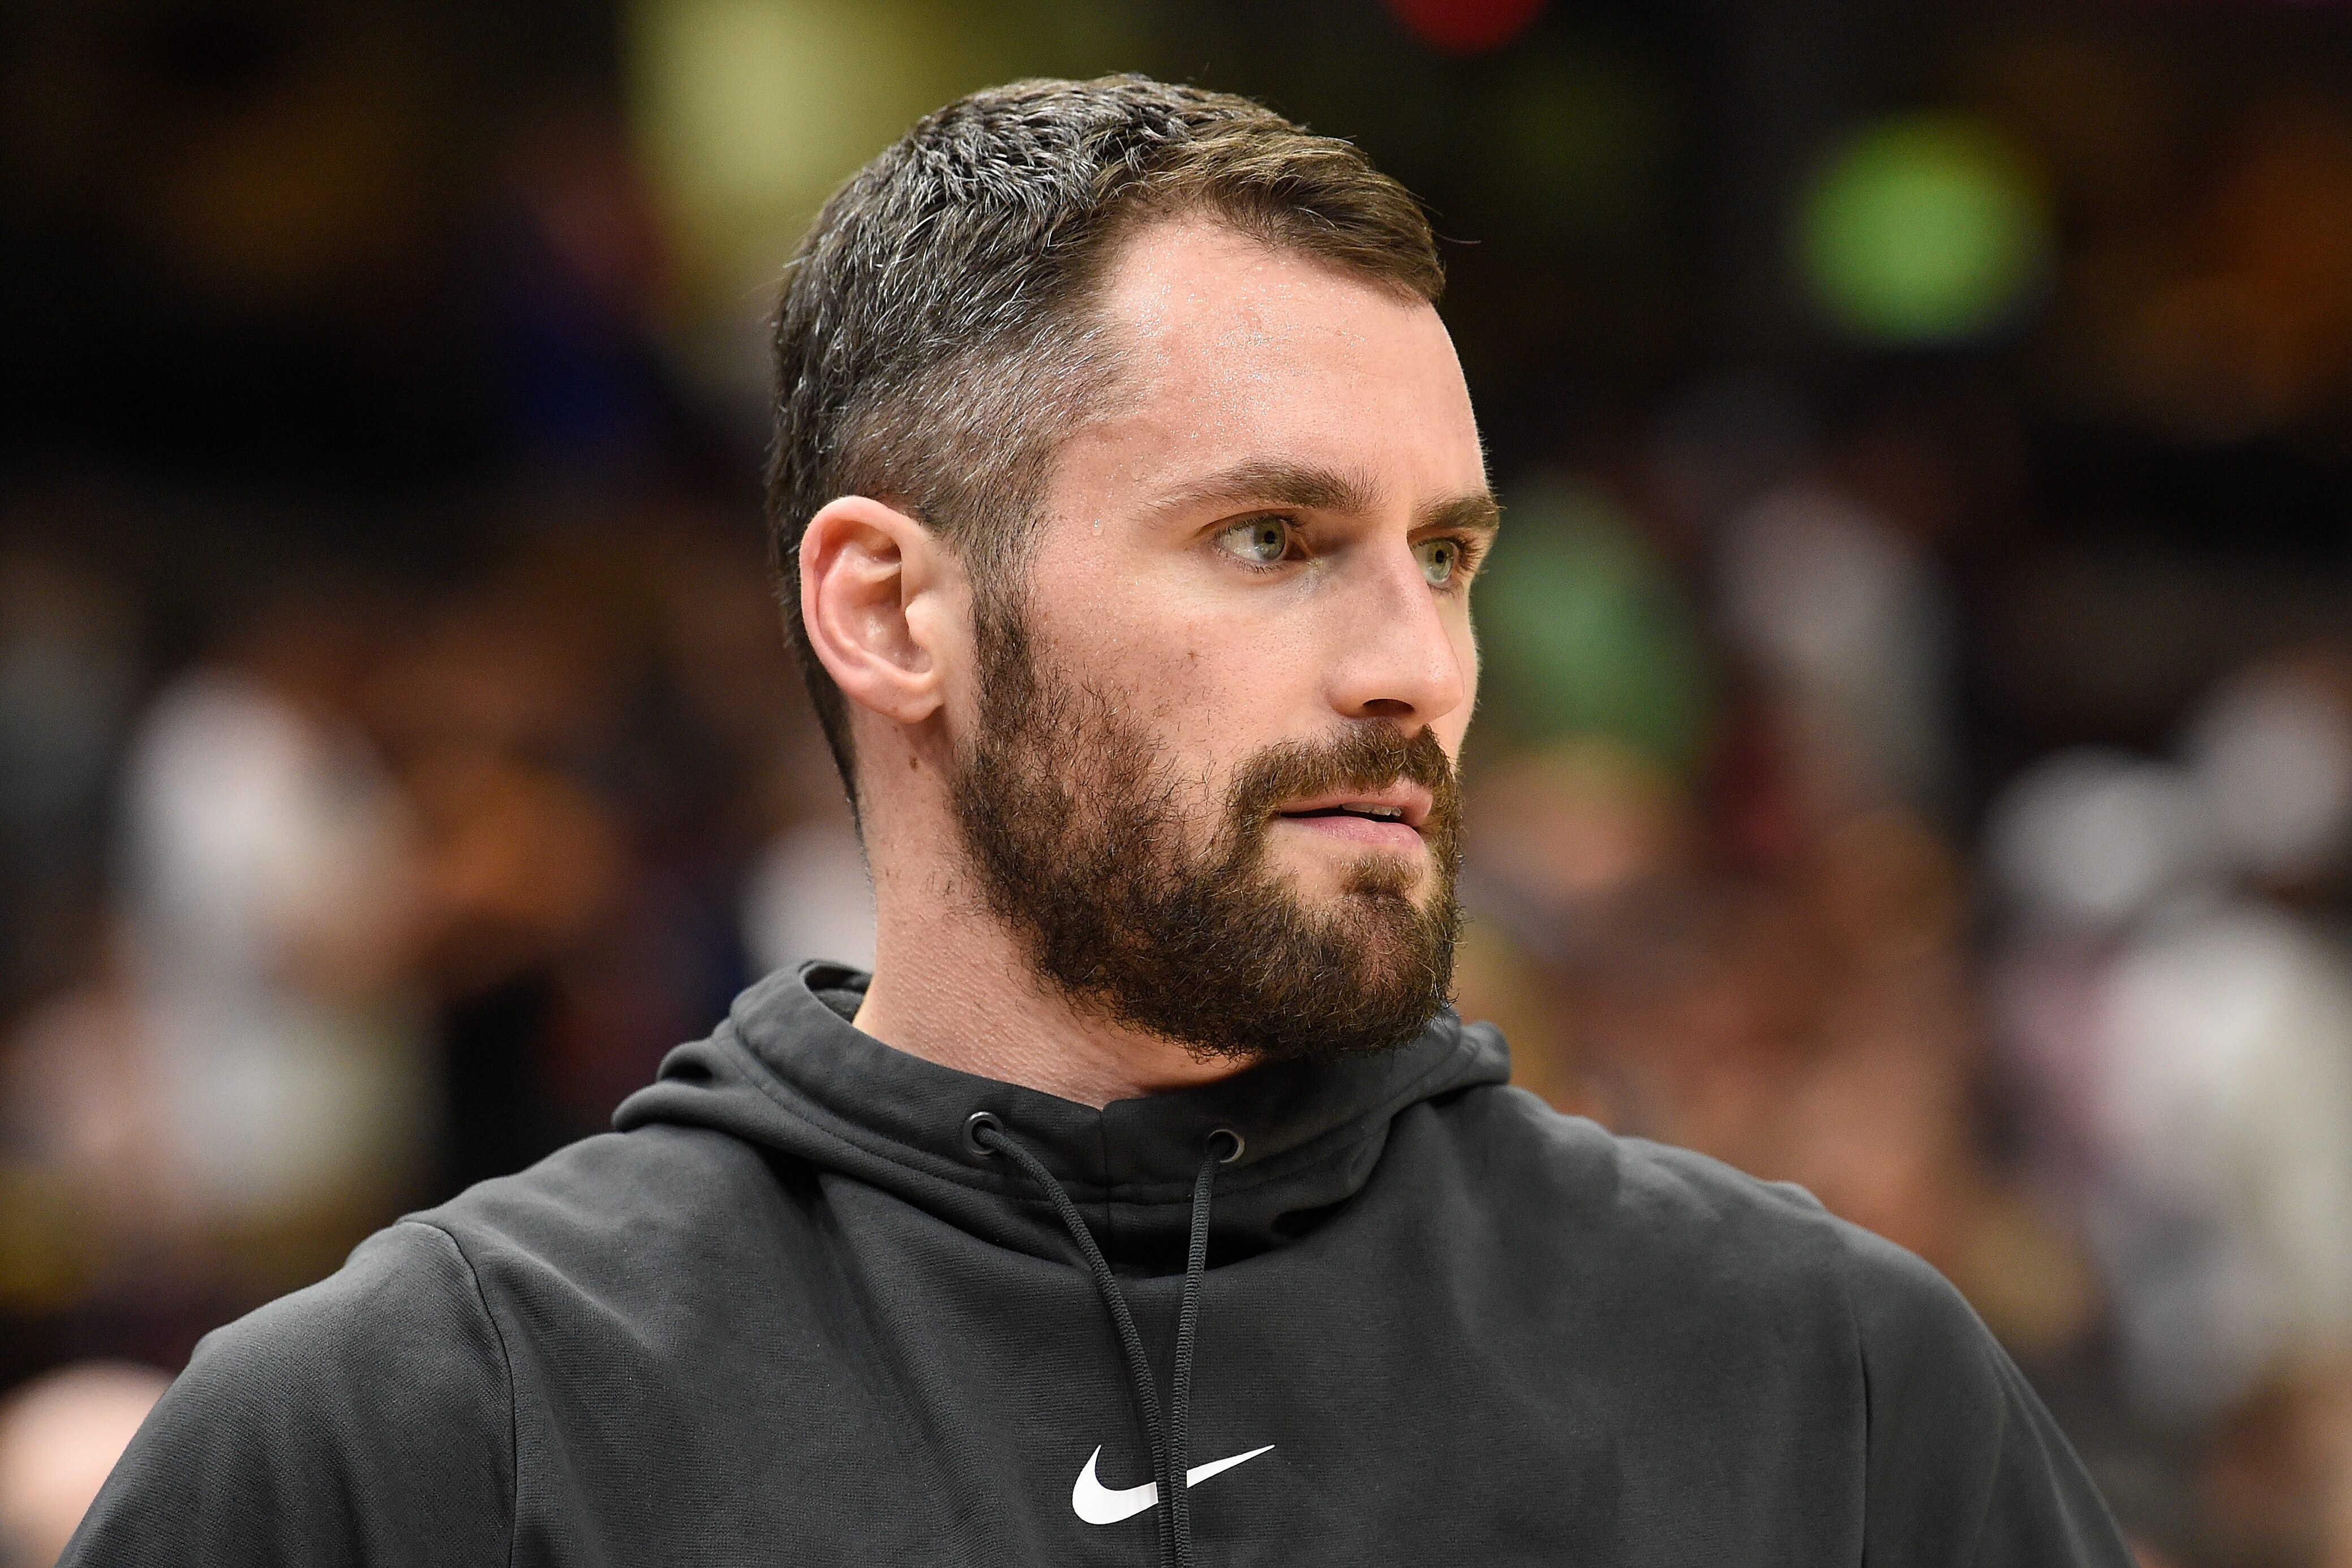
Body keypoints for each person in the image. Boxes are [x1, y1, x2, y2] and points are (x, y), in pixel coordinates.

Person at [63, 76, 2130, 1566]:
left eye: (1450, 554)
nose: (1415, 661)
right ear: (890, 608)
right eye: (1269, 537)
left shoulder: (1826, 1383)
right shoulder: (414, 1435)